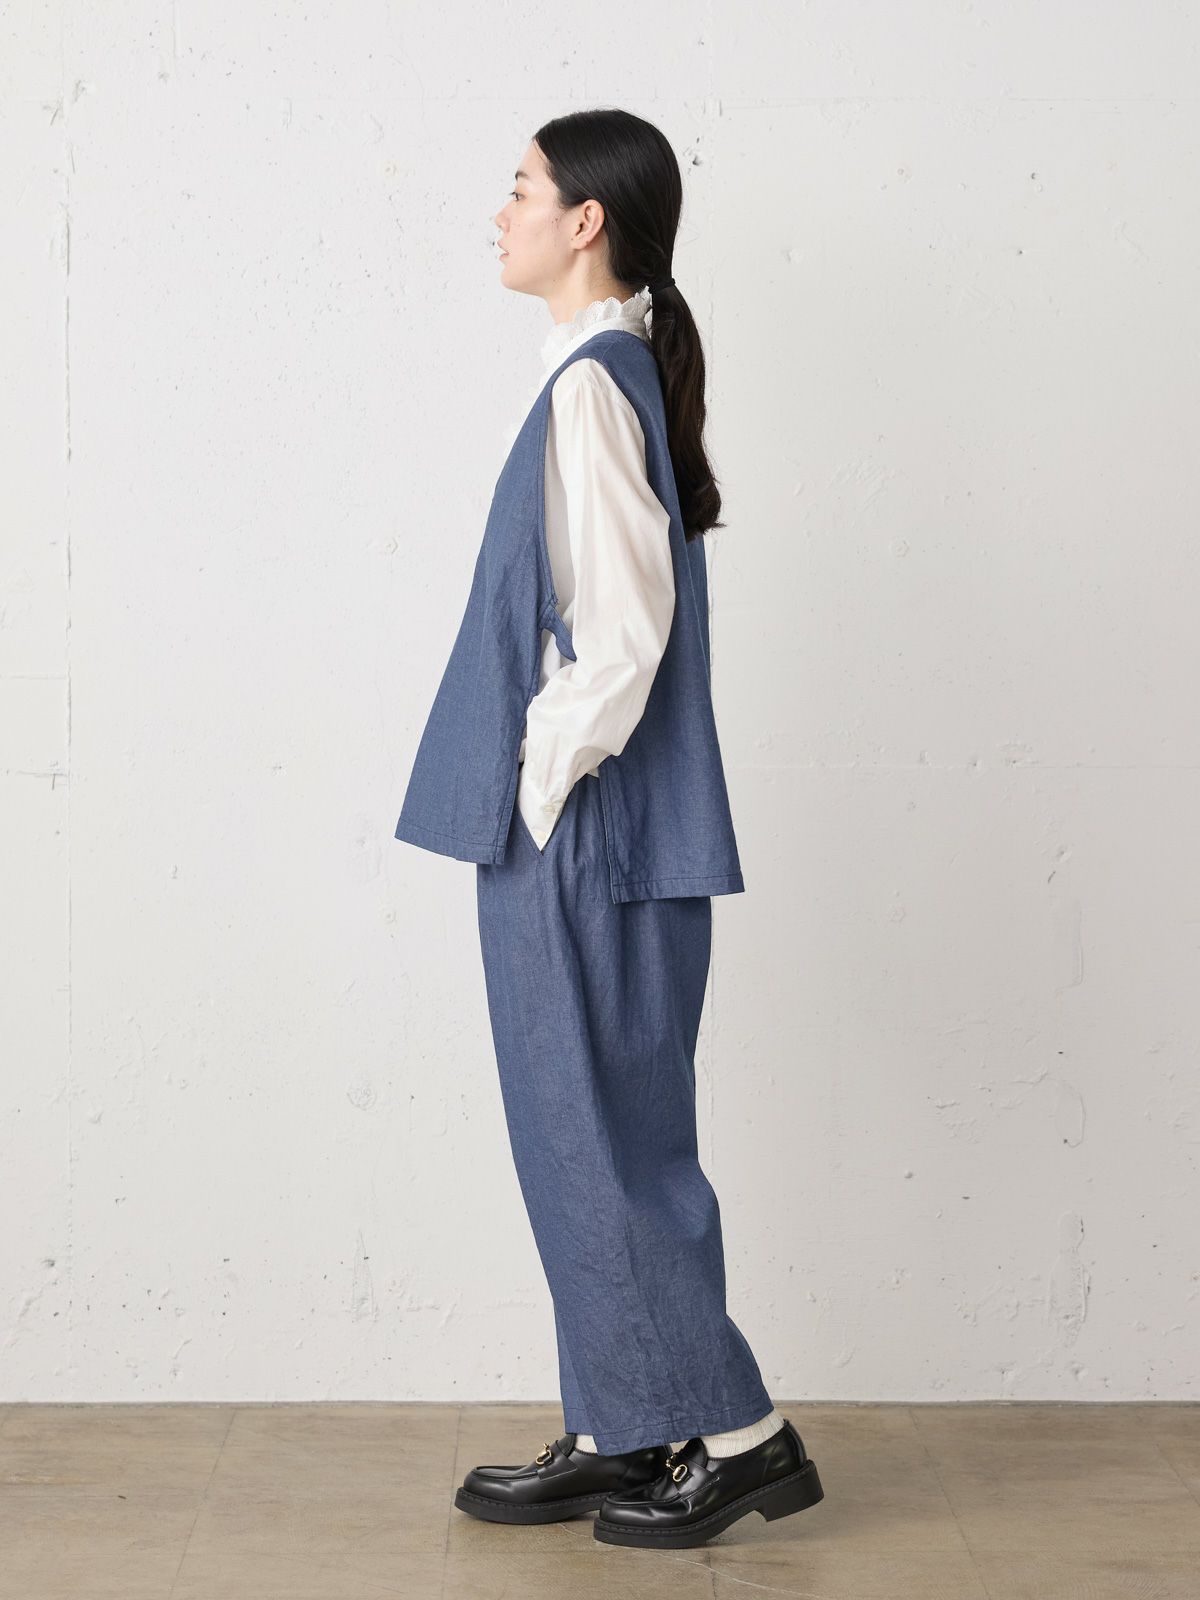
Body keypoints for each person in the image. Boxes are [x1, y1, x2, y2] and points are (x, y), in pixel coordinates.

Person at [392, 108, 823, 1551]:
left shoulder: (590, 390)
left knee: (605, 1141)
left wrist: (536, 779)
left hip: (586, 833)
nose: (499, 211)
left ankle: (741, 1436)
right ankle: (629, 1422)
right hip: (601, 833)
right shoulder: (603, 375)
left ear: (585, 222)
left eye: (519, 187)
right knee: (583, 1135)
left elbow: (624, 636)